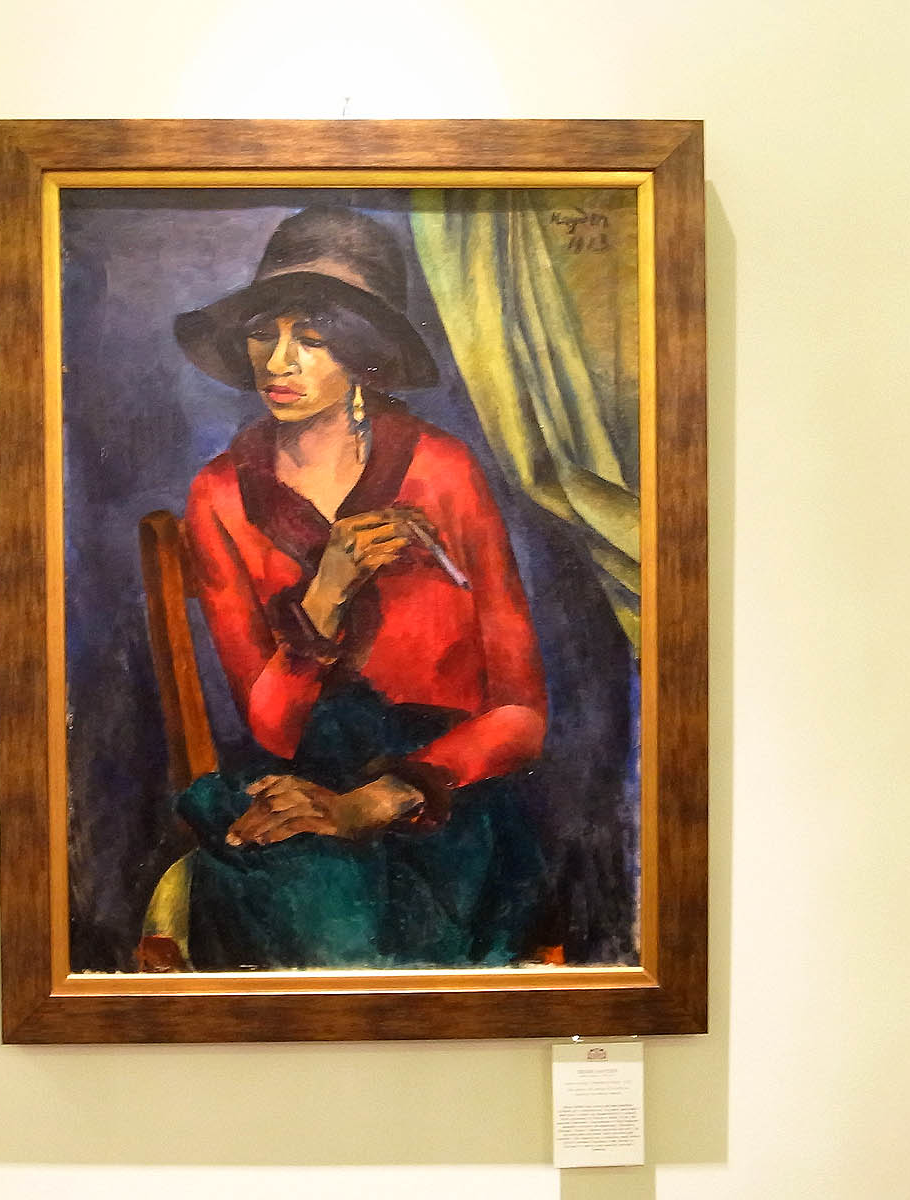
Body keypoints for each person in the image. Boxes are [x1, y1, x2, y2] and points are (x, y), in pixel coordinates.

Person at [171, 205, 548, 970]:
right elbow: (274, 732)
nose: (279, 362)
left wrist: (372, 802)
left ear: (363, 350)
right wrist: (326, 592)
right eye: (264, 333)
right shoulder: (219, 494)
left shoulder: (442, 470)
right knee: (291, 893)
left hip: (438, 796)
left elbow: (521, 715)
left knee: (371, 921)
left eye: (312, 338)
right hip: (295, 785)